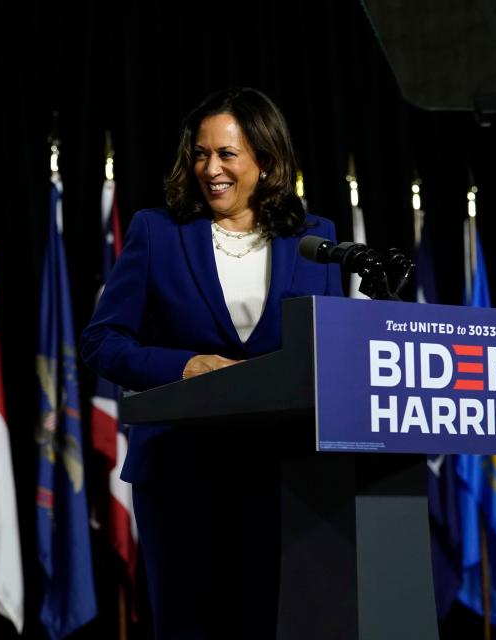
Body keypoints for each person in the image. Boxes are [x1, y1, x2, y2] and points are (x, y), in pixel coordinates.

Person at [80, 87, 343, 638]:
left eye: (227, 154)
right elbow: (102, 342)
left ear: (266, 161)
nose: (210, 168)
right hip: (181, 474)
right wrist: (184, 367)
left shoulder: (315, 240)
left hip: (284, 478)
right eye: (200, 154)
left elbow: (331, 349)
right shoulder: (158, 232)